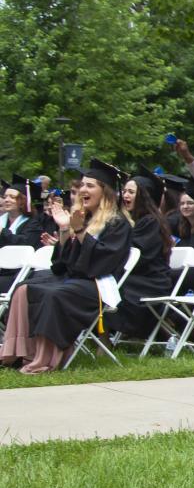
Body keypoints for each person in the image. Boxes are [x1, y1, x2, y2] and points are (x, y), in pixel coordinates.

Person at [0, 159, 133, 374]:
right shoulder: (84, 219)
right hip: (74, 278)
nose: (83, 190)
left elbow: (102, 262)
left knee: (54, 294)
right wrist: (64, 230)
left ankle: (45, 359)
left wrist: (79, 232)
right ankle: (18, 354)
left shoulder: (118, 223)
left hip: (98, 284)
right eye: (82, 185)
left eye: (90, 186)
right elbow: (63, 264)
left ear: (105, 192)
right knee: (24, 287)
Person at [111, 172, 175, 342]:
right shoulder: (131, 220)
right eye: (124, 191)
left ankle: (150, 325)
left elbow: (138, 257)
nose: (125, 195)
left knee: (110, 285)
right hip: (136, 277)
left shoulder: (151, 221)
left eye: (131, 192)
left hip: (151, 280)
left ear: (143, 195)